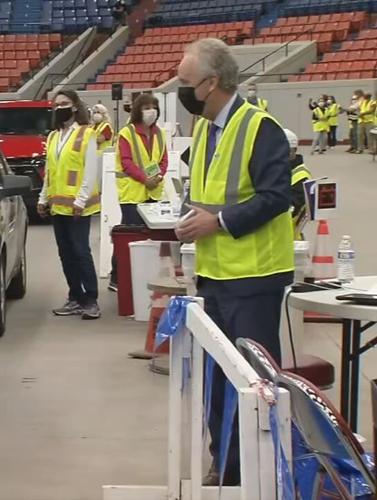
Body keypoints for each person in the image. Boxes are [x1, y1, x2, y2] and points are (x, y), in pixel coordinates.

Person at [174, 38, 294, 486]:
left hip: (254, 278)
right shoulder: (204, 128)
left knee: (256, 383)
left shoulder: (260, 128)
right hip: (214, 276)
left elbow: (276, 197)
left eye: (186, 83)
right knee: (218, 384)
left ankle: (263, 472)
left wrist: (218, 222)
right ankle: (226, 467)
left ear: (213, 82)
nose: (181, 91)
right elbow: (203, 194)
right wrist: (189, 220)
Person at [37, 90, 102, 319]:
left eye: (64, 104)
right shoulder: (54, 136)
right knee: (65, 253)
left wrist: (81, 200)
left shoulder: (87, 134)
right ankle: (75, 296)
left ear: (75, 106)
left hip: (78, 207)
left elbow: (90, 171)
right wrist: (43, 198)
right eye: (56, 105)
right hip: (58, 206)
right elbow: (50, 172)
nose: (59, 108)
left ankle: (91, 298)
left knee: (81, 251)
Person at [108, 93, 167, 291]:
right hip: (132, 194)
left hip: (153, 194)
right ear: (137, 111)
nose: (151, 111)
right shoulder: (127, 133)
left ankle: (143, 276)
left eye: (154, 107)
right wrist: (145, 179)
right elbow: (126, 162)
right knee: (128, 237)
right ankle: (117, 277)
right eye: (146, 107)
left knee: (150, 238)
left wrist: (158, 177)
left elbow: (163, 159)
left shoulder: (159, 133)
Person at [283, 129, 311, 240]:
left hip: (288, 238)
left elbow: (291, 210)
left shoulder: (301, 176)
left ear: (291, 151)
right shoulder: (282, 169)